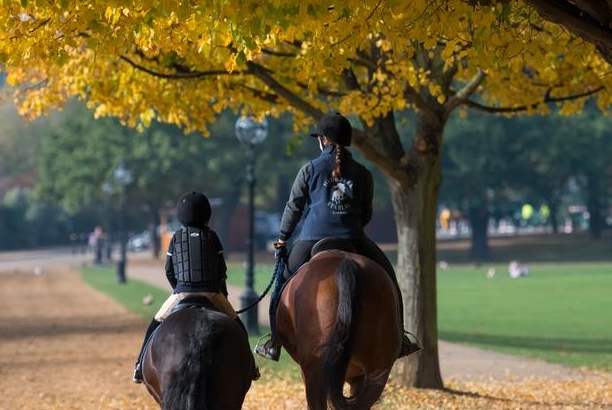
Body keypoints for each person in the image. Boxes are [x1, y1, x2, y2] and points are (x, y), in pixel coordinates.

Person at [255, 112, 421, 362]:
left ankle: (274, 342)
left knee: (281, 285)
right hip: (354, 239)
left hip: (311, 239)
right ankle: (401, 339)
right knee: (390, 280)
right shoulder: (363, 173)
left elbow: (294, 208)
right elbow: (366, 212)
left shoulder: (309, 169)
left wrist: (283, 239)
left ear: (323, 140)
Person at [132, 191, 258, 382]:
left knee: (155, 324)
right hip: (211, 293)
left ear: (181, 215)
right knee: (239, 327)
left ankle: (140, 366)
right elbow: (220, 270)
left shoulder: (175, 238)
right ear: (206, 214)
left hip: (182, 293)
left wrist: (178, 288)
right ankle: (251, 366)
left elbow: (169, 270)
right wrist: (220, 292)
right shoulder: (213, 237)